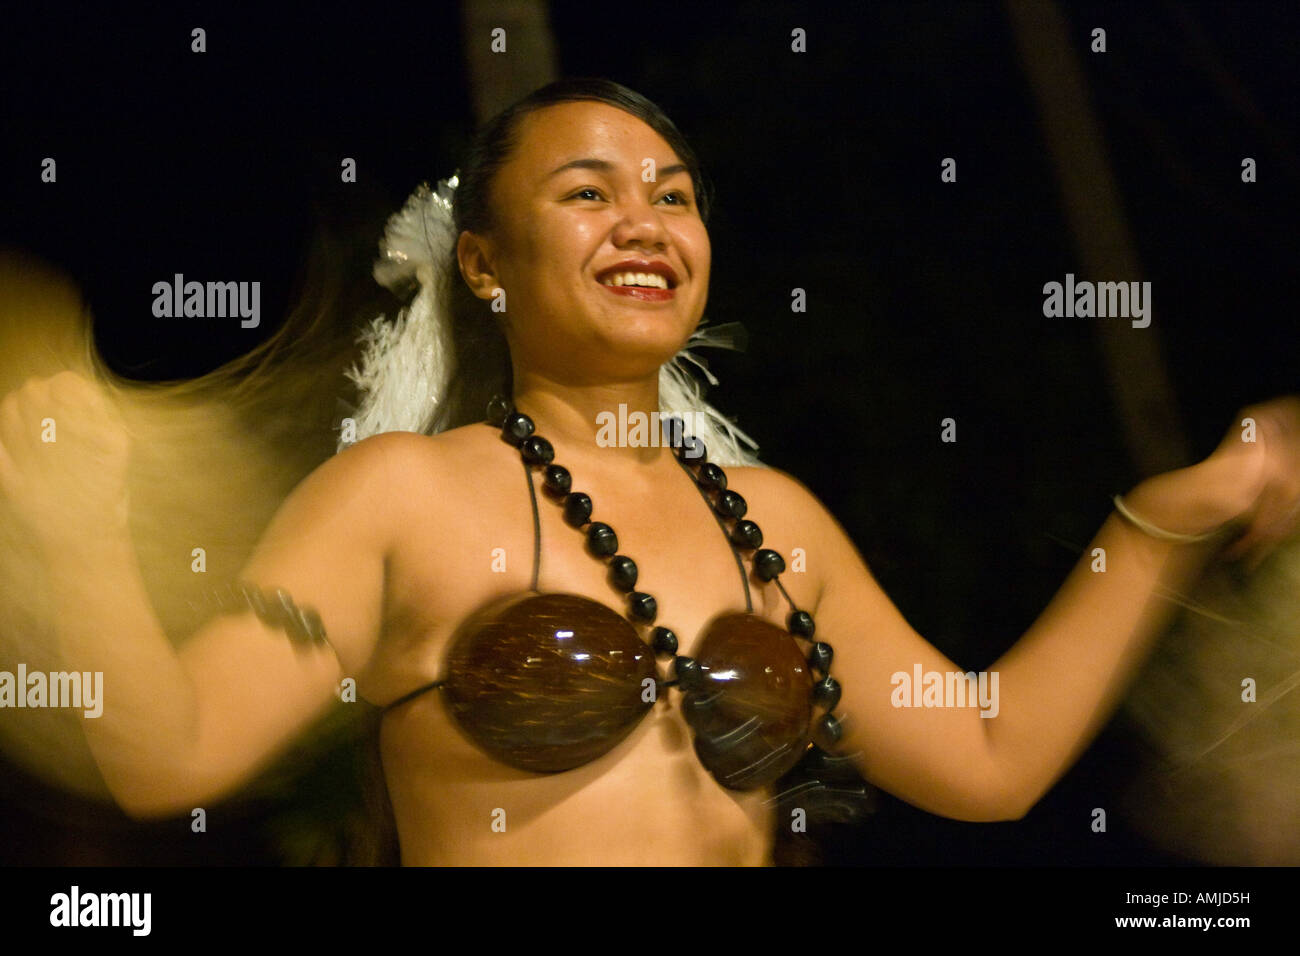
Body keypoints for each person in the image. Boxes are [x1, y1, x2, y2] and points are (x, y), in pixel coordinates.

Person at [1, 78, 1298, 866]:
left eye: (674, 197)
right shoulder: (404, 496)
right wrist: (77, 525)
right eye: (588, 192)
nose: (646, 222)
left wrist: (1171, 519)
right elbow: (166, 749)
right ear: (487, 266)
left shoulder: (775, 523)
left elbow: (990, 754)